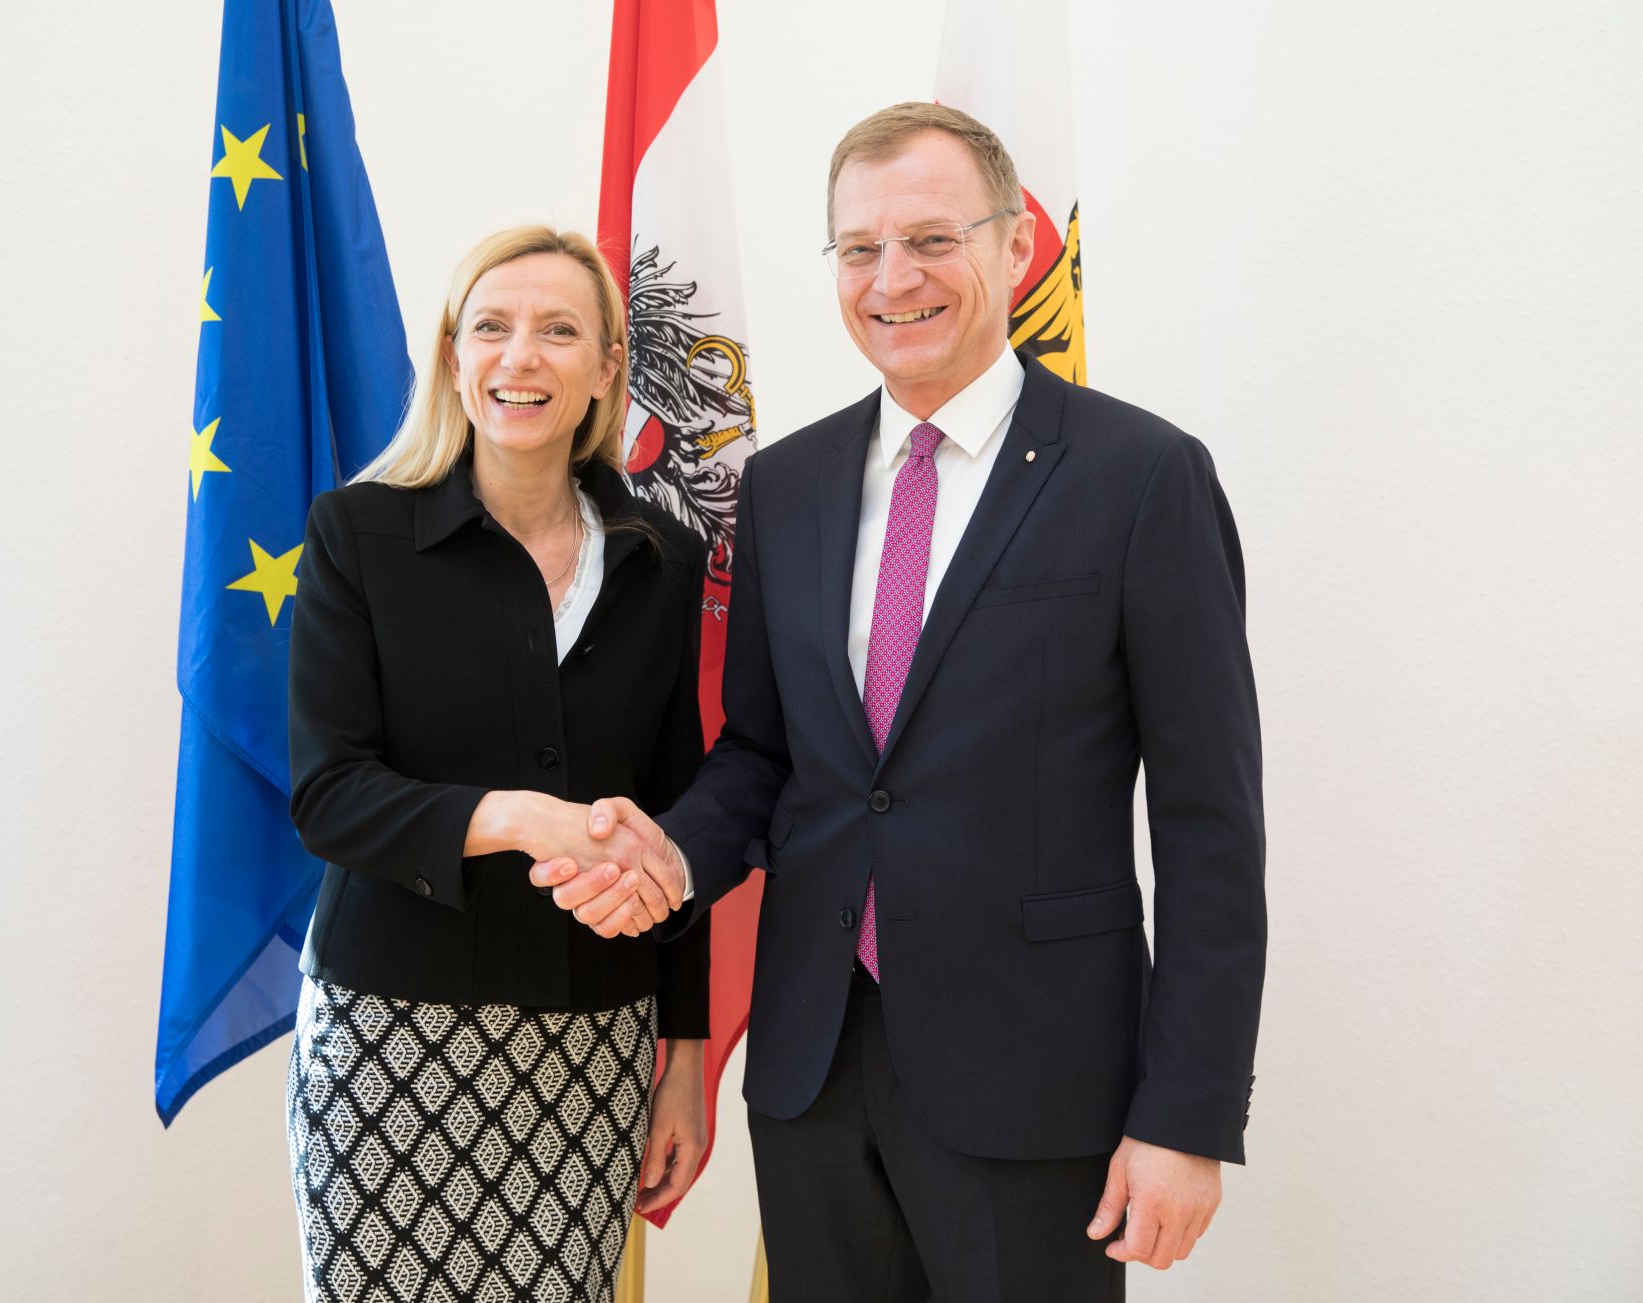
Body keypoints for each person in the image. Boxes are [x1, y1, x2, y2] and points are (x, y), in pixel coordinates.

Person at [533, 104, 1267, 1301]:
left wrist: (1185, 1115)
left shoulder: (1142, 478)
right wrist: (666, 854)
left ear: (1015, 247)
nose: (892, 279)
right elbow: (768, 758)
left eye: (931, 239)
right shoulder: (787, 486)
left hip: (1035, 1081)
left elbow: (1209, 828)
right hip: (815, 1070)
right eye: (859, 249)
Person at [284, 226, 710, 1303]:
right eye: (492, 327)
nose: (520, 358)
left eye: (558, 331)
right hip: (390, 1037)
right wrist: (524, 817)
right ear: (451, 352)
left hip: (592, 1051)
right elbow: (329, 795)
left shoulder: (664, 560)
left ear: (607, 366)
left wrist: (688, 1061)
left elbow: (678, 825)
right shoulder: (356, 536)